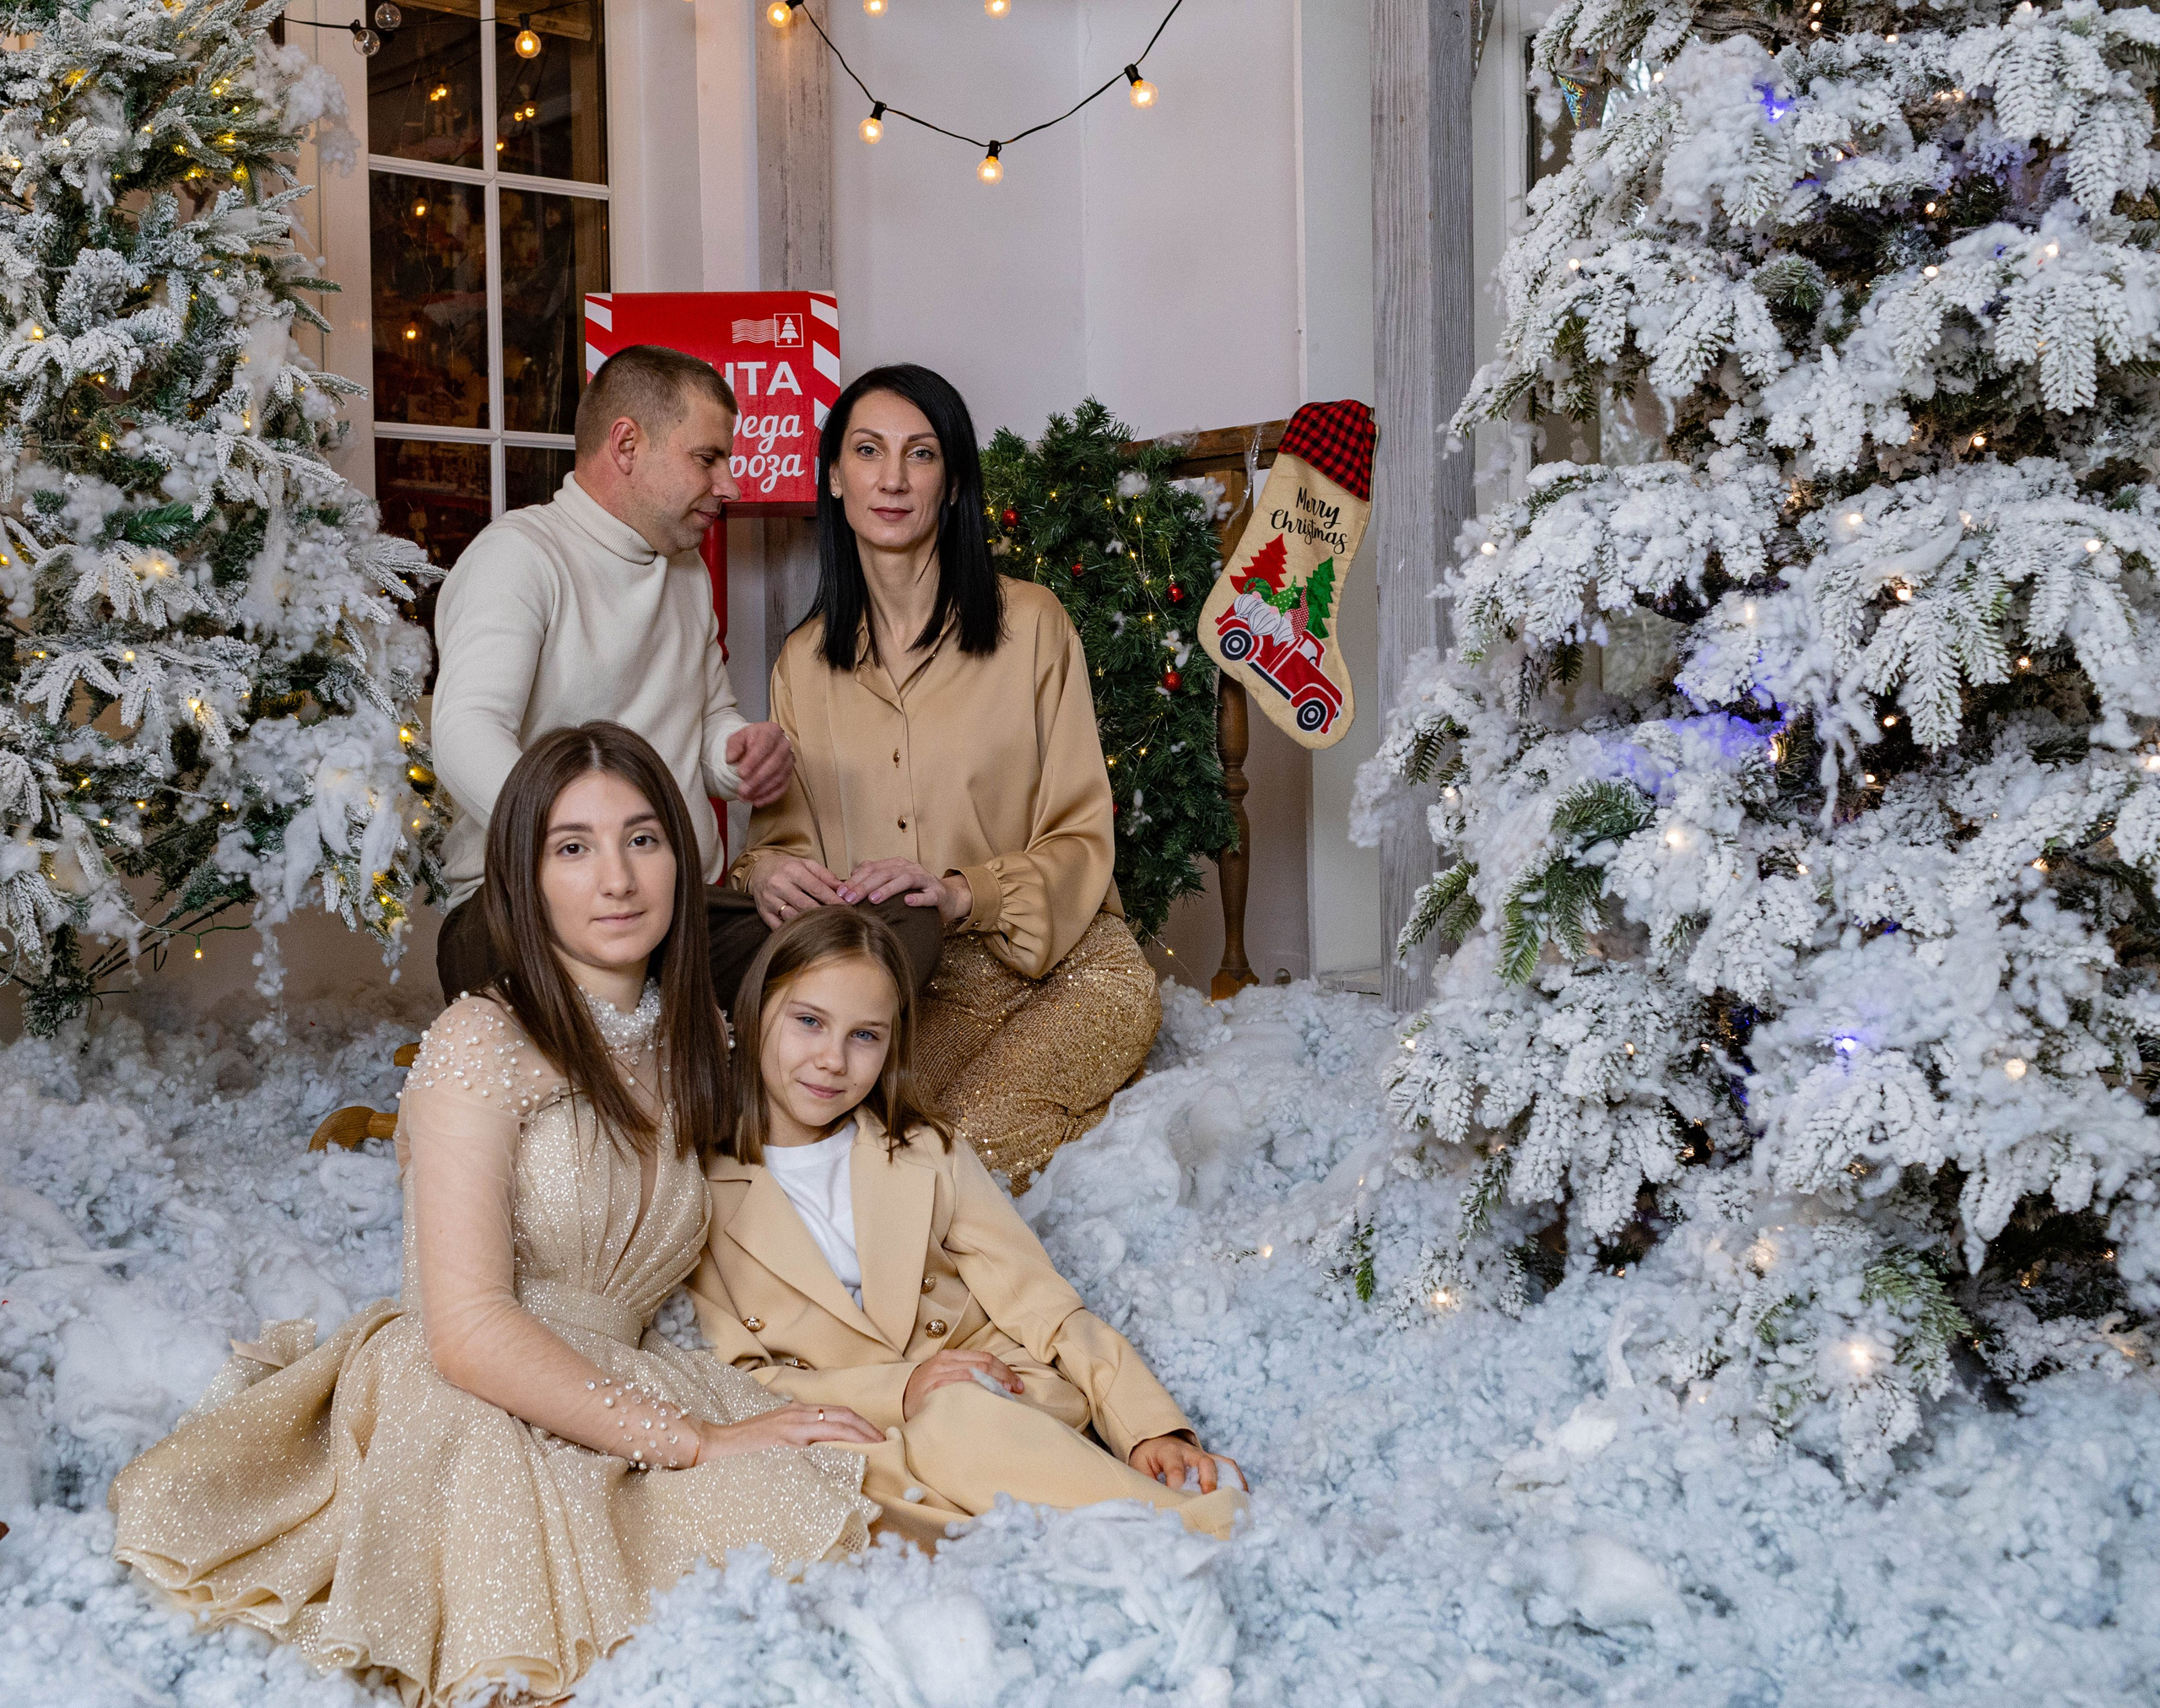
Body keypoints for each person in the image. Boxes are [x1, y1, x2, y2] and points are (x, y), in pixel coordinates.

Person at [110, 723, 884, 1706]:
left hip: (628, 1367)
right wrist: (690, 1439)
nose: (617, 878)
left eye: (643, 839)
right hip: (466, 1385)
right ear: (524, 875)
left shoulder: (701, 1036)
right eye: (574, 846)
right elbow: (469, 1330)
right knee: (527, 1615)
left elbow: (800, 1213)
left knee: (822, 1503)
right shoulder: (480, 1035)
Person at [688, 906, 1246, 1547]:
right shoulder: (700, 1190)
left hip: (998, 1396)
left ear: (892, 1045)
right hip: (850, 1426)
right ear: (754, 1012)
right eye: (809, 1022)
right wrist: (902, 1389)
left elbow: (1044, 1304)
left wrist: (1150, 1428)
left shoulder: (928, 1151)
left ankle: (1194, 1531)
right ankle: (1120, 1535)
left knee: (955, 1416)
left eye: (865, 1035)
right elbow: (735, 1378)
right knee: (854, 1502)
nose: (833, 1059)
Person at [731, 363, 1158, 1192]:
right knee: (846, 1150)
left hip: (1069, 966)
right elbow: (777, 846)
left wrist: (963, 893)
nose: (892, 478)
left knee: (946, 1162)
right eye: (868, 451)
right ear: (834, 476)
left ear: (953, 482)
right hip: (910, 987)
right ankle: (1087, 1120)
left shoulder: (1032, 625)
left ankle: (1096, 1120)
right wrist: (769, 872)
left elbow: (1082, 833)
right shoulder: (801, 664)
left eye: (920, 454)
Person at [429, 343, 942, 1015]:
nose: (730, 485)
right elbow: (463, 733)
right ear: (626, 445)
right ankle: (672, 1042)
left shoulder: (685, 570)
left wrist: (736, 755)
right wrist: (586, 854)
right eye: (708, 459)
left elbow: (706, 724)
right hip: (524, 911)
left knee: (903, 924)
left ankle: (692, 1040)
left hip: (679, 918)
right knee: (572, 984)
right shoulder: (521, 557)